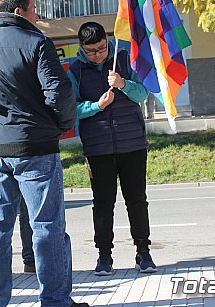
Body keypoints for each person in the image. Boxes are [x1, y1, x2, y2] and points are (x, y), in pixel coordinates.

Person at [0, 0, 89, 307]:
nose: (37, 17)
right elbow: (59, 93)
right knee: (47, 227)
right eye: (34, 11)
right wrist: (59, 127)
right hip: (36, 148)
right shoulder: (36, 43)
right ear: (19, 11)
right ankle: (56, 301)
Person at [67, 21, 157, 276]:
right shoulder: (76, 71)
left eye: (102, 48)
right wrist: (97, 105)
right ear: (81, 48)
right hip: (98, 147)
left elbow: (142, 94)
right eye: (91, 51)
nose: (98, 54)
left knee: (137, 200)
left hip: (133, 143)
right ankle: (104, 256)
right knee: (103, 203)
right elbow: (72, 109)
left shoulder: (125, 59)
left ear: (108, 41)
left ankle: (143, 252)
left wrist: (122, 84)